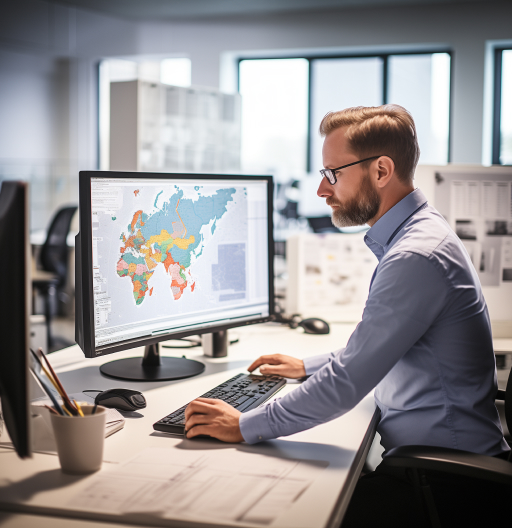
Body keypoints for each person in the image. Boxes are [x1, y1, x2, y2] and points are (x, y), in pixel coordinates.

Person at [184, 105, 510, 525]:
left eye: (332, 173)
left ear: (381, 170)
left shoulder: (416, 256)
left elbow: (347, 384)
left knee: (272, 508)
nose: (322, 189)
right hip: (437, 468)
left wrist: (244, 424)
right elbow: (377, 346)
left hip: (447, 489)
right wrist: (307, 364)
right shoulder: (422, 234)